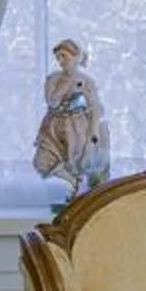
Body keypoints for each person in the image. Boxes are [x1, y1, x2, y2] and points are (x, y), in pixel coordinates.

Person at [33, 39, 112, 197]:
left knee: (77, 160)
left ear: (75, 57)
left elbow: (94, 106)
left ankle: (79, 191)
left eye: (64, 56)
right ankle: (71, 182)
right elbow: (52, 102)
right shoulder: (53, 79)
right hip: (53, 126)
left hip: (76, 125)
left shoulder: (86, 81)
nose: (61, 61)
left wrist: (93, 129)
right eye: (58, 57)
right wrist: (67, 83)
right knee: (42, 161)